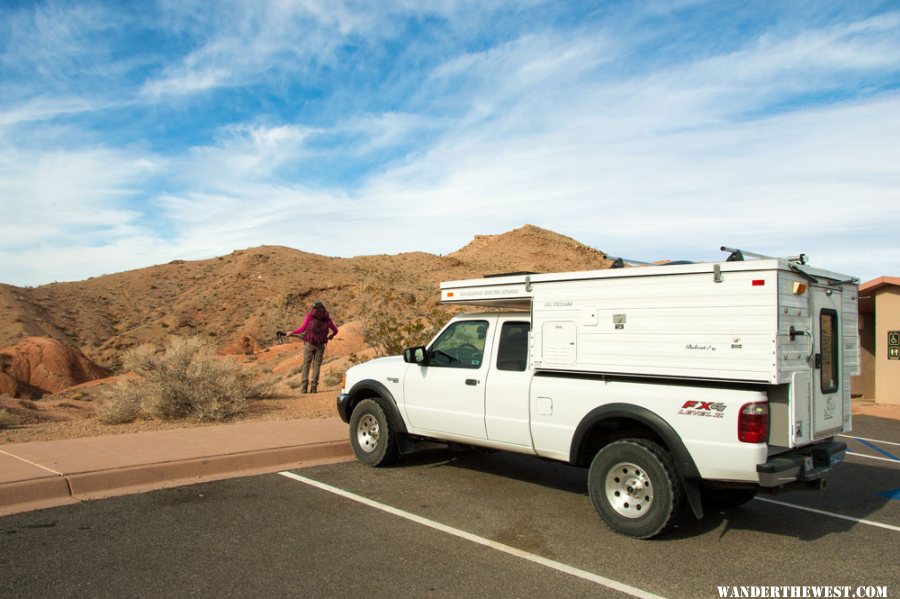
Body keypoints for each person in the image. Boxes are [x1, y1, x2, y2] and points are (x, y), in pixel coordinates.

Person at [289, 300, 339, 394]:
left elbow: (302, 329)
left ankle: (304, 388)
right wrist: (331, 336)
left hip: (309, 344)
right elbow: (336, 330)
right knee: (317, 366)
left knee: (306, 365)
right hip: (320, 345)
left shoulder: (310, 316)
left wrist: (291, 333)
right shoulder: (327, 319)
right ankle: (314, 387)